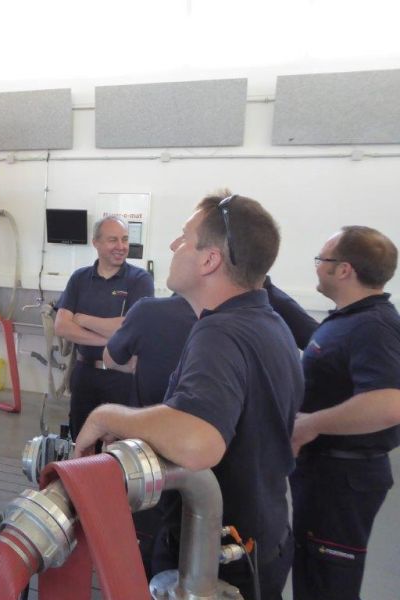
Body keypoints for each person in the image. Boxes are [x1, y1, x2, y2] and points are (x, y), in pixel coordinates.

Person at [76, 192, 303, 600]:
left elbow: (200, 442)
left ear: (209, 260)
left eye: (184, 238)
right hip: (265, 540)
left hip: (213, 559)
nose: (173, 245)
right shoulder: (270, 323)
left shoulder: (220, 333)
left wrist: (106, 417)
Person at [290, 226, 400, 600]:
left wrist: (310, 425)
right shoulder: (349, 319)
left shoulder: (374, 326)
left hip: (343, 479)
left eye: (321, 259)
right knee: (313, 575)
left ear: (344, 269)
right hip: (325, 474)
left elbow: (388, 404)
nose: (317, 266)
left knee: (328, 584)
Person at [54, 215, 154, 439]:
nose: (121, 246)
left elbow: (131, 328)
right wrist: (111, 339)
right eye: (112, 240)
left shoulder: (140, 280)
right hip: (85, 374)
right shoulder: (79, 279)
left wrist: (83, 319)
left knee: (118, 446)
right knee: (81, 440)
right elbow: (61, 326)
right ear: (96, 242)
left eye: (125, 239)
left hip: (122, 378)